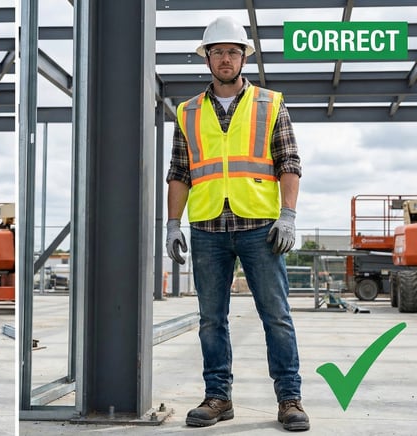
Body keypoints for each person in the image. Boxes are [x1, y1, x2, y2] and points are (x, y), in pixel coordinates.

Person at [165, 16, 309, 432]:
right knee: (211, 318)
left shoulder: (270, 103)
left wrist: (288, 215)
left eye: (232, 51)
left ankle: (289, 398)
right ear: (207, 59)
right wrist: (173, 224)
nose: (225, 58)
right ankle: (218, 397)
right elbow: (180, 172)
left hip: (260, 226)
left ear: (243, 57)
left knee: (276, 314)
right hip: (208, 226)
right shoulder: (187, 111)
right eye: (217, 52)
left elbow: (289, 162)